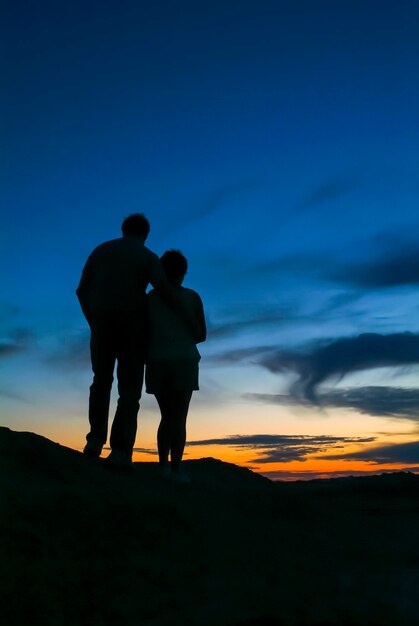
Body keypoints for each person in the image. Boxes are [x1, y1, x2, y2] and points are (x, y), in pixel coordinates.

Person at [76, 214, 199, 468]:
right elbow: (164, 291)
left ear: (123, 230)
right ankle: (120, 451)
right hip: (132, 329)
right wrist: (188, 318)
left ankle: (95, 440)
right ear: (146, 234)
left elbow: (81, 290)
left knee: (100, 381)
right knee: (129, 390)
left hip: (102, 325)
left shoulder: (100, 251)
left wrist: (93, 320)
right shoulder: (146, 256)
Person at [146, 250, 206, 483]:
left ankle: (162, 467)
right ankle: (176, 470)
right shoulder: (192, 297)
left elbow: (143, 332)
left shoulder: (150, 299)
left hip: (157, 360)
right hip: (184, 361)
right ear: (184, 272)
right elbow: (201, 335)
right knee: (179, 418)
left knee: (166, 416)